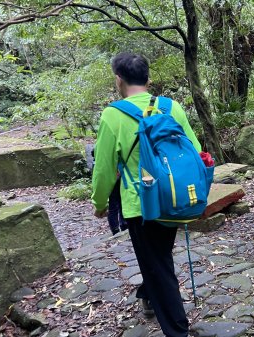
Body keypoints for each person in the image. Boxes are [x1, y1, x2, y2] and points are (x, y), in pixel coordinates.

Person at [91, 52, 201, 337]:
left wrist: (100, 203)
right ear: (148, 78)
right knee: (159, 256)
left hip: (139, 204)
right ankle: (147, 295)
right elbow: (195, 150)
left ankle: (177, 329)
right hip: (172, 199)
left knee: (158, 265)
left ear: (119, 79)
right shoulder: (171, 107)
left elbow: (103, 169)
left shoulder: (113, 115)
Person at [89, 145, 128, 235]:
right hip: (117, 179)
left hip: (109, 183)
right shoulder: (108, 155)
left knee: (113, 205)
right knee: (119, 203)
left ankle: (115, 228)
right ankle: (123, 225)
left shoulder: (97, 161)